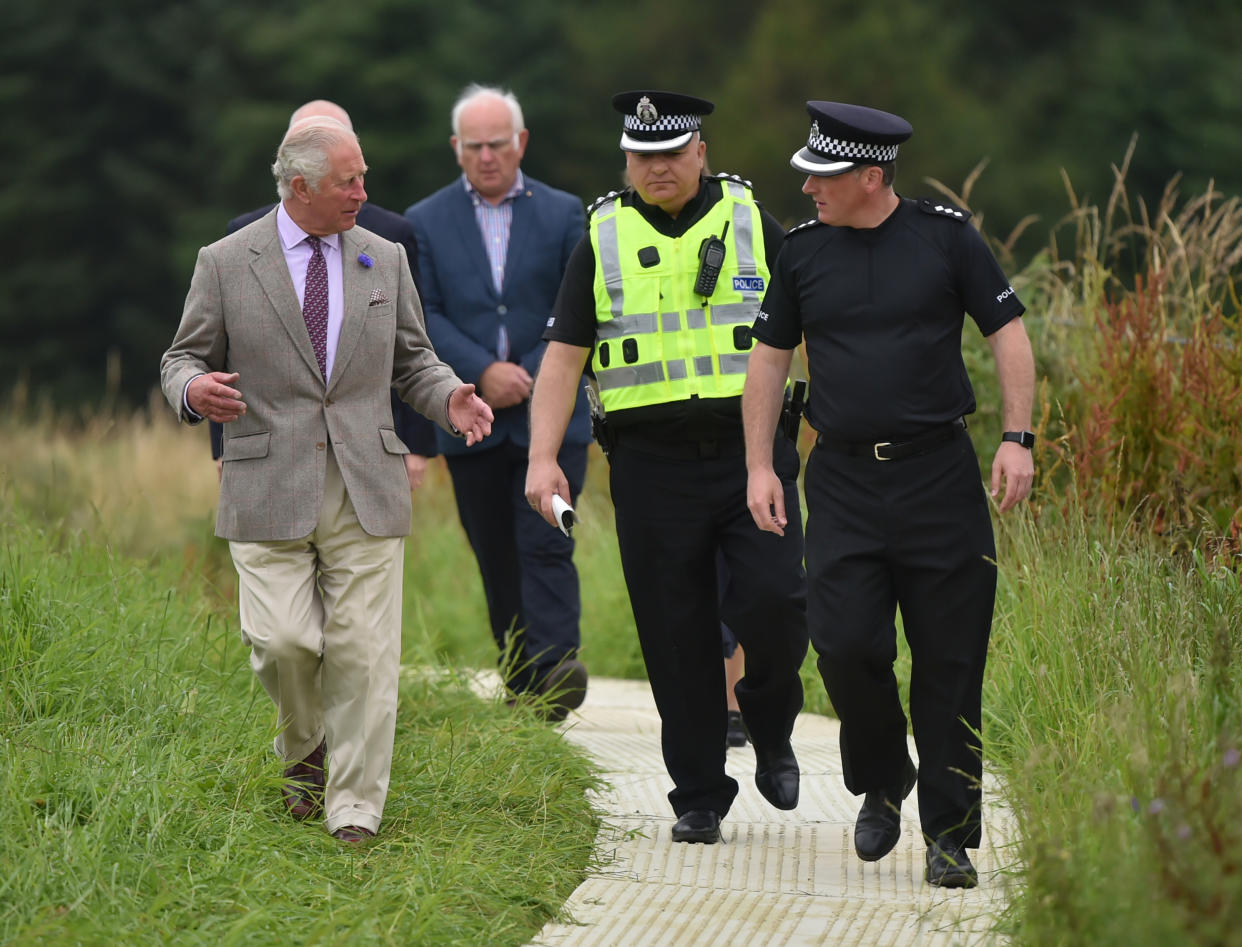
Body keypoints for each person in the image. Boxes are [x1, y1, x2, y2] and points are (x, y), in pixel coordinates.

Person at [160, 117, 493, 844]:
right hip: (266, 482)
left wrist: (450, 397)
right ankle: (303, 745)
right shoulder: (225, 261)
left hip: (365, 479)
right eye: (350, 181)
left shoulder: (384, 257)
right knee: (283, 643)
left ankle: (355, 807)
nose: (364, 193)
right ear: (300, 186)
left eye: (364, 176)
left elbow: (414, 362)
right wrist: (193, 392)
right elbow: (179, 358)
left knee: (363, 653)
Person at [742, 100, 1035, 887]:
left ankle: (950, 835)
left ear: (871, 176)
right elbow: (769, 361)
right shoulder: (802, 255)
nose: (807, 189)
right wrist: (761, 466)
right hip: (841, 479)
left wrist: (1017, 437)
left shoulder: (947, 239)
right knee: (844, 645)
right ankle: (882, 773)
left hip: (939, 479)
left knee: (950, 662)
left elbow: (1008, 332)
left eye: (823, 176)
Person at [526, 90, 809, 845]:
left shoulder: (752, 221)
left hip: (752, 454)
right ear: (627, 160)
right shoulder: (602, 234)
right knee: (674, 628)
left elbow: (818, 317)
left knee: (778, 600)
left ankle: (771, 720)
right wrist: (543, 454)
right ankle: (698, 792)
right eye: (642, 156)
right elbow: (562, 356)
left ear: (700, 155)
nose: (657, 168)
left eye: (671, 154)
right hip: (651, 466)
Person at [405, 84, 591, 719]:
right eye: (475, 146)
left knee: (546, 540)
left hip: (555, 417)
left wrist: (535, 373)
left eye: (499, 144)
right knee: (494, 547)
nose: (488, 157)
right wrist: (484, 371)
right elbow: (424, 313)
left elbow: (580, 307)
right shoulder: (424, 222)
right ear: (457, 149)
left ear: (522, 144)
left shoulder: (567, 213)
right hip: (472, 419)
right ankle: (519, 678)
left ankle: (558, 666)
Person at [212, 100, 438, 492]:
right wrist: (224, 449)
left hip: (367, 459)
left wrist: (416, 443)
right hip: (272, 469)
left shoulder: (390, 241)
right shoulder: (238, 242)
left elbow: (410, 346)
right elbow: (220, 355)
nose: (359, 193)